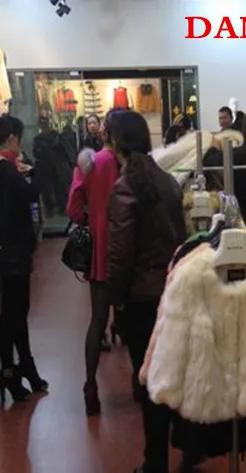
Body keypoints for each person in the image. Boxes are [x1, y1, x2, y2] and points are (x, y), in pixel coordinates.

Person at [106, 110, 187, 473]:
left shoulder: (125, 187)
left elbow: (120, 255)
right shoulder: (167, 181)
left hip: (140, 297)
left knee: (150, 381)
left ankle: (155, 463)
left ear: (116, 143)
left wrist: (116, 300)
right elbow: (181, 239)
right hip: (170, 290)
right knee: (173, 373)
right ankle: (187, 447)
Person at [66, 109, 122, 416]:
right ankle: (141, 386)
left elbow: (73, 211)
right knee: (135, 319)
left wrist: (92, 215)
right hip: (130, 249)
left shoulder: (90, 163)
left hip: (101, 249)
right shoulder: (132, 163)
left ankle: (90, 386)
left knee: (97, 320)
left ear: (104, 132)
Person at [0, 115, 49, 403]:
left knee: (15, 314)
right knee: (14, 316)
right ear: (11, 139)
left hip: (8, 253)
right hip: (13, 255)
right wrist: (36, 171)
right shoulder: (7, 171)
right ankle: (10, 372)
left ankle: (24, 369)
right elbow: (32, 192)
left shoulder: (8, 169)